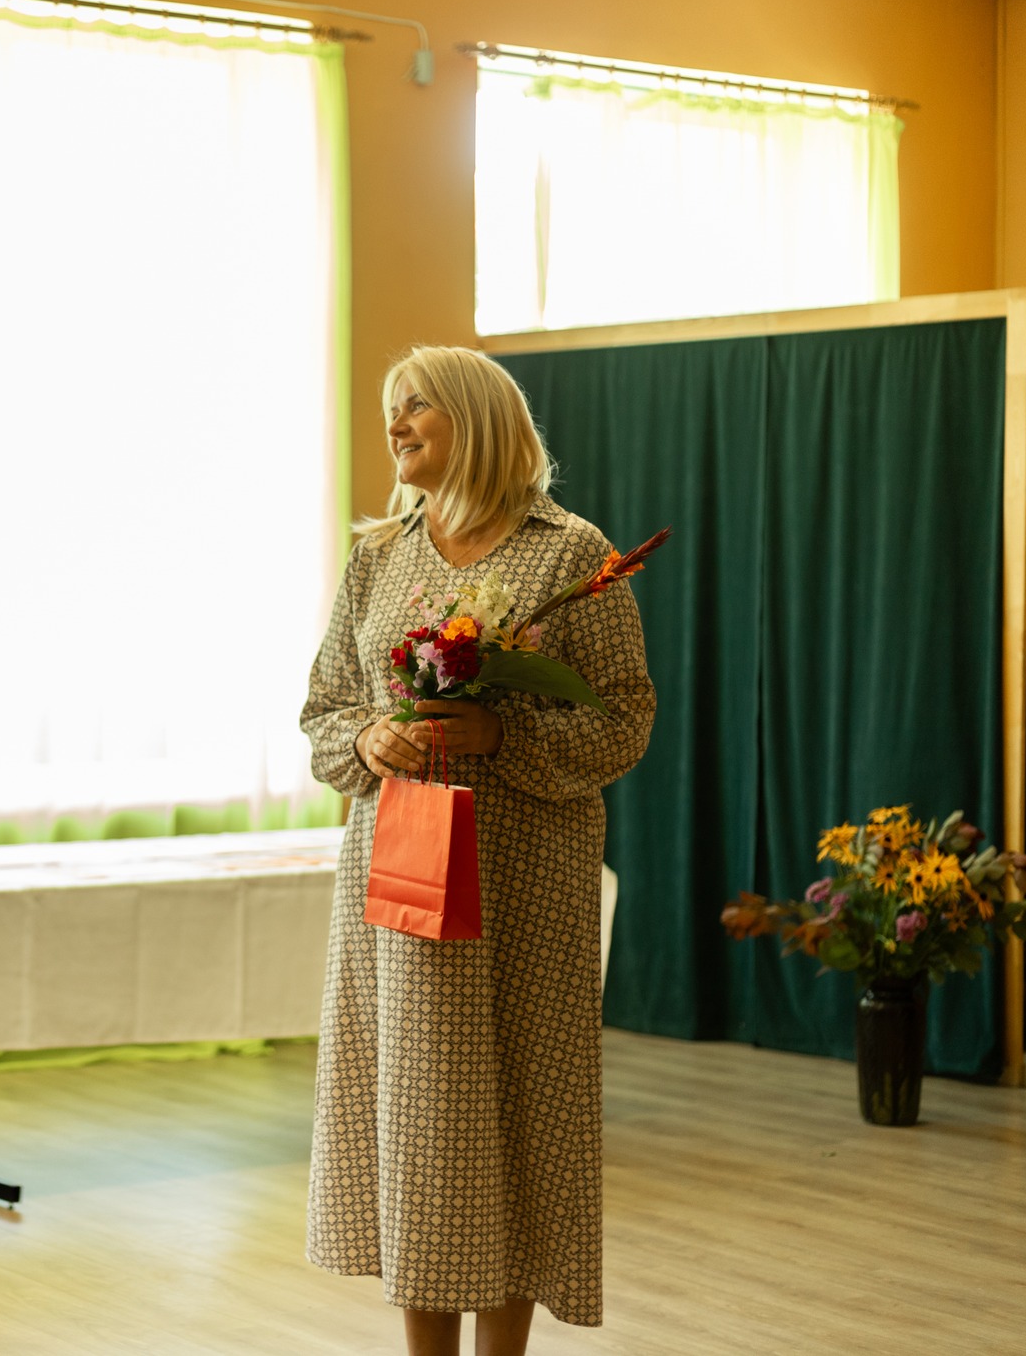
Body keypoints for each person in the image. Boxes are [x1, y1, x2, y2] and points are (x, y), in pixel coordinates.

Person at [299, 346, 655, 1356]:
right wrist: (371, 739)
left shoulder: (570, 553)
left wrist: (504, 733)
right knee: (421, 1124)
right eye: (390, 409)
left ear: (478, 417)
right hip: (402, 883)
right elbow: (324, 710)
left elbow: (625, 719)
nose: (395, 424)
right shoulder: (379, 554)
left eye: (416, 405)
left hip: (526, 884)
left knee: (521, 1116)